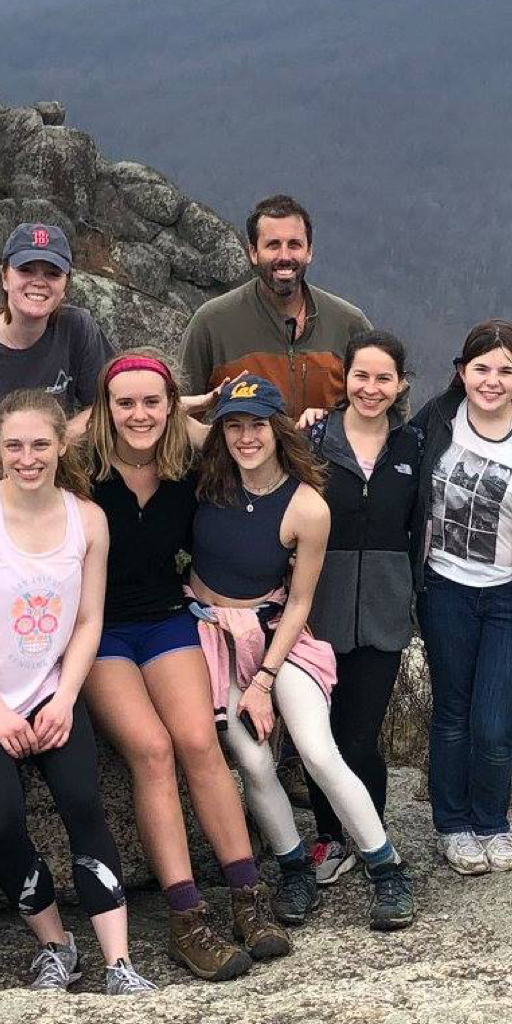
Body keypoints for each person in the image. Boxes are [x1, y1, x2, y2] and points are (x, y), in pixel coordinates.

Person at [0, 389, 155, 994]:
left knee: (83, 805)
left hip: (49, 691)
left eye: (39, 444)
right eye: (13, 446)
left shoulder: (88, 519)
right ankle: (56, 944)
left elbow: (88, 621)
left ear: (61, 446)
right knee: (1, 821)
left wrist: (62, 698)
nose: (27, 457)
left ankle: (118, 962)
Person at [81, 349, 287, 979]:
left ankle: (246, 898)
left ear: (170, 407)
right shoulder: (79, 468)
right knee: (151, 750)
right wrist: (172, 406)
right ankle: (185, 918)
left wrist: (194, 410)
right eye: (124, 403)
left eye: (153, 402)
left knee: (201, 742)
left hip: (167, 617)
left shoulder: (189, 464)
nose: (139, 415)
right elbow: (38, 430)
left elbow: (262, 448)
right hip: (99, 632)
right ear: (104, 409)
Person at [189, 375, 413, 931]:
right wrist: (198, 399)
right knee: (254, 761)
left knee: (317, 749)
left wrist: (265, 681)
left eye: (257, 425)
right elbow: (142, 417)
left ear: (278, 429)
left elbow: (301, 603)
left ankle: (386, 867)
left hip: (277, 635)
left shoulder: (307, 505)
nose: (245, 438)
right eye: (234, 426)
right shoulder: (204, 478)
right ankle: (294, 868)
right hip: (212, 635)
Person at [410, 320, 512, 876]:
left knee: (494, 724)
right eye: (481, 368)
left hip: (506, 598)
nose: (492, 381)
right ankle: (452, 826)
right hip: (445, 587)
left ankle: (492, 822)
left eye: (505, 370)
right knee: (451, 711)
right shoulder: (437, 421)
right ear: (462, 372)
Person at [303, 332, 422, 883]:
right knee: (318, 735)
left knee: (359, 737)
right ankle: (330, 838)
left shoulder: (415, 446)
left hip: (384, 609)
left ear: (400, 385)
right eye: (361, 376)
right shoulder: (313, 441)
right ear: (345, 378)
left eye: (383, 378)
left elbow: (422, 530)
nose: (371, 389)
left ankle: (369, 832)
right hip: (317, 609)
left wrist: (415, 602)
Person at [178, 195, 371, 420]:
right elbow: (182, 414)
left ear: (309, 251)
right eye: (272, 245)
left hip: (327, 456)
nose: (284, 256)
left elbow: (389, 397)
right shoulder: (212, 323)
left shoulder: (347, 323)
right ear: (253, 253)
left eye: (294, 245)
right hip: (242, 453)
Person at [0, 223, 113, 446]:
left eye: (52, 274)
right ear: (4, 276)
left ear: (65, 285)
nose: (39, 281)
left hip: (57, 467)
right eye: (26, 270)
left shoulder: (78, 329)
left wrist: (54, 442)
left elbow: (107, 403)